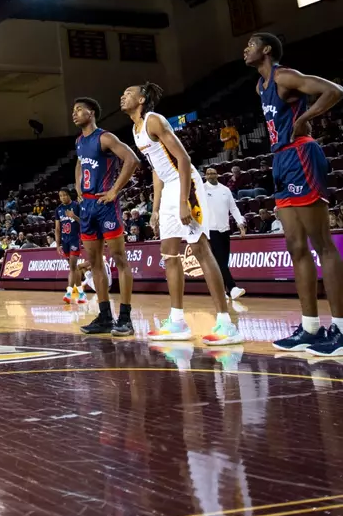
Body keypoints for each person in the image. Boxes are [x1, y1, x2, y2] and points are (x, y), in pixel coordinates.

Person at [120, 82, 243, 345]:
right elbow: (156, 169)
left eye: (128, 93)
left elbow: (184, 159)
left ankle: (226, 322)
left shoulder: (154, 120)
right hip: (167, 191)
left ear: (141, 99)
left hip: (185, 184)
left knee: (200, 249)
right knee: (169, 254)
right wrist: (155, 208)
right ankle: (177, 321)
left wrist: (185, 200)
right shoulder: (135, 128)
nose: (123, 97)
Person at [244, 32, 343, 357]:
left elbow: (334, 90)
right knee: (296, 247)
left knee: (322, 245)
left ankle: (341, 329)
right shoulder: (260, 87)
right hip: (281, 159)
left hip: (301, 154)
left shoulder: (284, 76)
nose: (246, 49)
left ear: (267, 49)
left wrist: (304, 118)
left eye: (251, 44)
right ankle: (310, 327)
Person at [72, 98, 139, 336]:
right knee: (95, 264)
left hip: (105, 206)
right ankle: (104, 317)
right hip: (87, 206)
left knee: (120, 259)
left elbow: (132, 160)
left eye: (79, 110)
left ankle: (126, 317)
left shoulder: (105, 137)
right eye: (74, 110)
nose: (75, 113)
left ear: (91, 113)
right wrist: (78, 188)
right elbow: (80, 165)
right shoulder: (80, 141)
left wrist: (114, 191)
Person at [203, 166, 247, 299]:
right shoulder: (202, 190)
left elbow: (233, 208)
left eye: (214, 173)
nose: (211, 176)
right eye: (209, 174)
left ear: (217, 175)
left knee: (223, 262)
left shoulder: (225, 190)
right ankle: (232, 288)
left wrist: (240, 223)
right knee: (220, 262)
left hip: (225, 230)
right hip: (211, 230)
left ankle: (221, 291)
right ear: (205, 176)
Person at [55, 187, 86, 305]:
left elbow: (84, 222)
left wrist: (74, 217)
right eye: (60, 196)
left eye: (64, 195)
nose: (62, 197)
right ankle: (81, 294)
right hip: (65, 241)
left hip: (75, 239)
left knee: (72, 266)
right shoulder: (58, 209)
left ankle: (68, 293)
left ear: (69, 195)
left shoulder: (77, 206)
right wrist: (58, 245)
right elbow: (57, 228)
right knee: (74, 268)